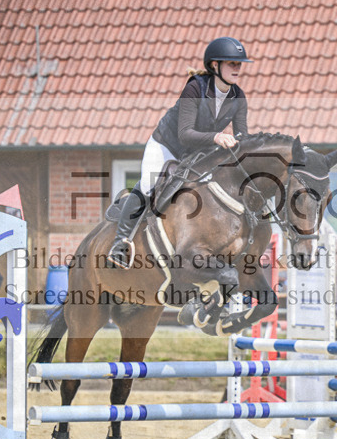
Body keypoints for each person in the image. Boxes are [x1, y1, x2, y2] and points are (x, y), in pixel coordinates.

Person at [107, 36, 252, 268]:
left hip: (197, 153)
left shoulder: (238, 97)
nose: (237, 68)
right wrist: (217, 137)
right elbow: (185, 133)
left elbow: (242, 136)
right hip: (167, 145)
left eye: (239, 64)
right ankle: (120, 241)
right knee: (148, 185)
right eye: (232, 63)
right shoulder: (195, 88)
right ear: (215, 65)